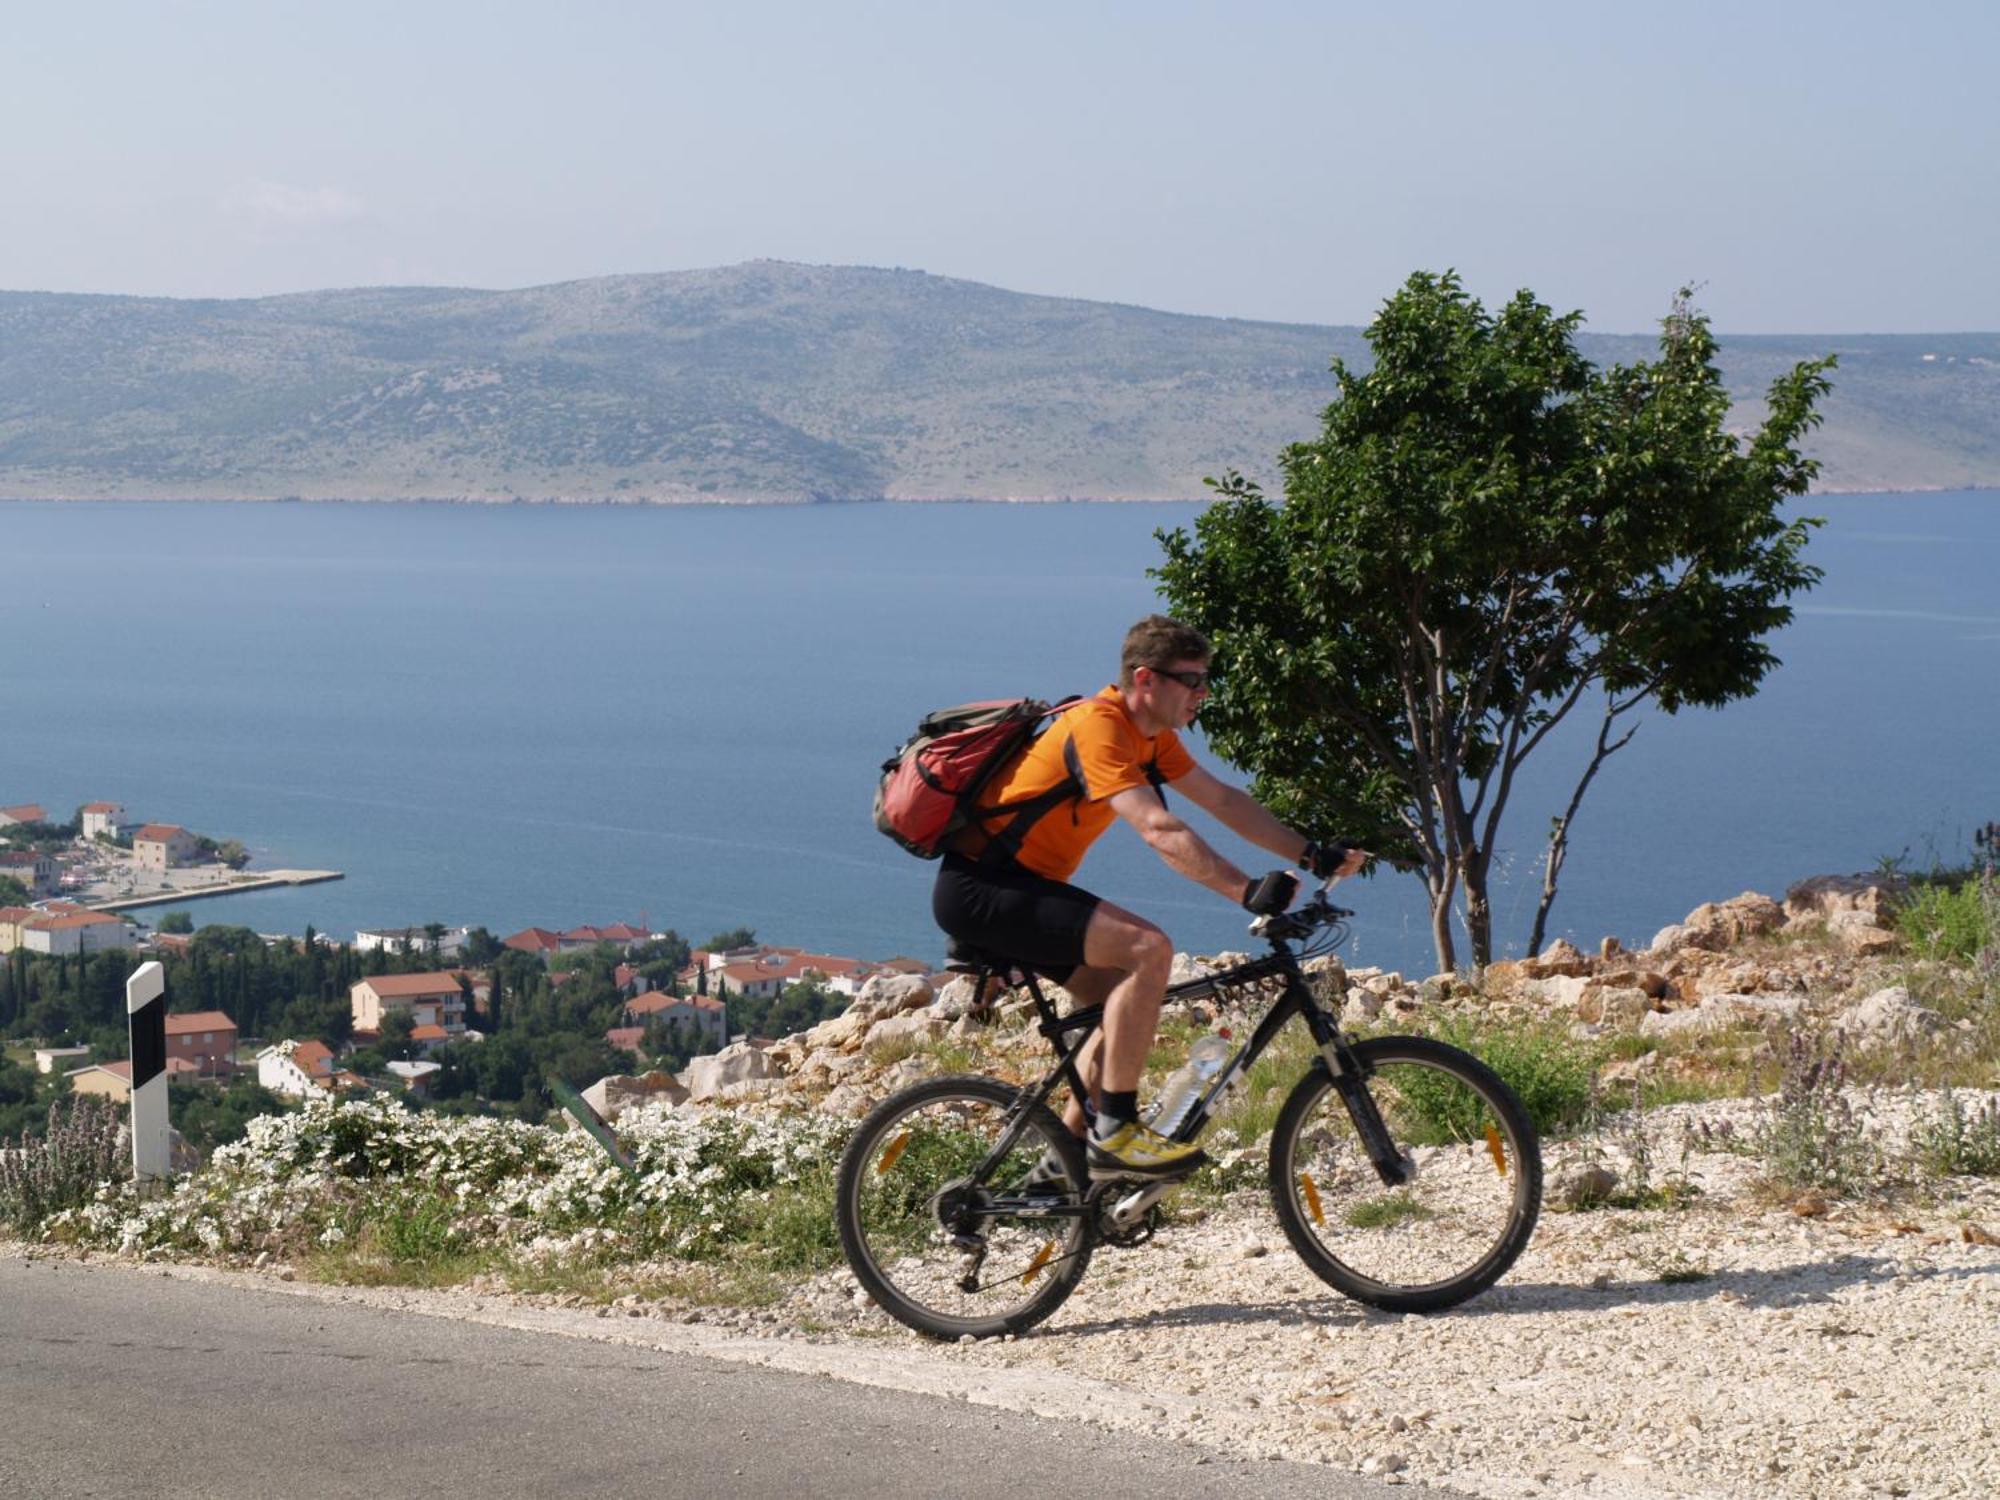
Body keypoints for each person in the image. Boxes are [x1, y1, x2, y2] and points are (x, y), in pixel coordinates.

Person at [933, 614, 1367, 1182]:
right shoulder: (1099, 728)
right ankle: (1115, 1133)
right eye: (1191, 680)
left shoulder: (1152, 738)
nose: (1203, 693)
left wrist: (1311, 854)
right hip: (982, 888)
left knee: (1120, 998)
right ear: (1146, 679)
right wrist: (1244, 892)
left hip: (1020, 889)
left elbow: (1222, 801)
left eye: (1206, 679)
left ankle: (1062, 1164)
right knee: (1148, 948)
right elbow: (1158, 829)